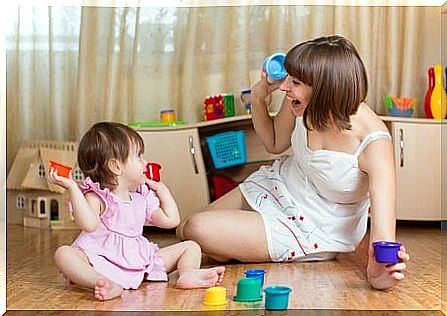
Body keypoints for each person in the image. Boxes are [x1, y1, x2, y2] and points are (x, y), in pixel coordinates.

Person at [180, 35, 409, 290]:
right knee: (184, 228)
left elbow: (384, 234)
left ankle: (236, 245)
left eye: (295, 82)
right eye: (288, 77)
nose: (285, 87)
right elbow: (275, 143)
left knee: (196, 229)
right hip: (279, 186)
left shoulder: (374, 142)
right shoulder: (302, 102)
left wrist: (379, 273)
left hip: (312, 226)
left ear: (323, 89)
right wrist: (258, 98)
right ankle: (230, 246)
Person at [49, 122, 225, 301]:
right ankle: (101, 282)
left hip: (140, 260)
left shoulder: (141, 198)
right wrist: (72, 187)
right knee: (64, 254)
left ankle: (188, 273)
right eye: (139, 156)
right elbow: (89, 224)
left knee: (191, 246)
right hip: (100, 260)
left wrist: (162, 190)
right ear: (116, 167)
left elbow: (171, 221)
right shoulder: (98, 197)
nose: (145, 162)